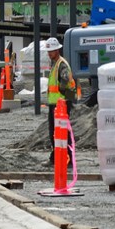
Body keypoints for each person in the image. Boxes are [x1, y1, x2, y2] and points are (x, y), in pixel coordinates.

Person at [42, 37, 78, 166]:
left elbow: (65, 83)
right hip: (56, 104)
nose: (49, 53)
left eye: (51, 51)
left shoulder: (61, 64)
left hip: (61, 104)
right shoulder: (56, 64)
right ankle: (56, 158)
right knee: (54, 132)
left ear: (57, 50)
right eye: (48, 51)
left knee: (62, 132)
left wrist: (62, 97)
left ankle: (67, 159)